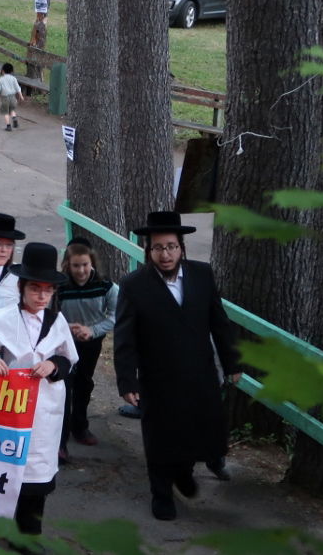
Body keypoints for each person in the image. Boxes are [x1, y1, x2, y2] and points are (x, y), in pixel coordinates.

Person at [113, 210, 242, 522]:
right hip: (157, 378)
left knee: (197, 431)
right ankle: (161, 494)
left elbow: (219, 322)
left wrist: (232, 362)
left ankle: (183, 473)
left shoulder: (201, 275)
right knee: (160, 438)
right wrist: (128, 381)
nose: (165, 254)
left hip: (199, 373)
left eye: (171, 246)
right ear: (149, 250)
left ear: (182, 247)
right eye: (158, 248)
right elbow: (124, 338)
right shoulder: (134, 285)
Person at [0, 242, 78, 536]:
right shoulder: (2, 319)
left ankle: (29, 536)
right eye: (35, 289)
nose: (41, 296)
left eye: (47, 290)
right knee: (4, 474)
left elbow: (69, 360)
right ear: (22, 288)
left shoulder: (57, 321)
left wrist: (54, 366)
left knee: (37, 478)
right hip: (9, 411)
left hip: (44, 412)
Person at [57, 239, 118, 460]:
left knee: (84, 382)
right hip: (64, 343)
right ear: (67, 265)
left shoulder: (106, 286)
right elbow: (49, 315)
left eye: (85, 265)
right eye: (76, 266)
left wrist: (92, 330)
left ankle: (80, 425)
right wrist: (66, 328)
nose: (81, 270)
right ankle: (59, 442)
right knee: (63, 387)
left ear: (92, 263)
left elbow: (115, 315)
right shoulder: (59, 287)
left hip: (91, 342)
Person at [0, 62, 24, 131]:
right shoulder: (13, 78)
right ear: (11, 71)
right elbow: (18, 88)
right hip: (13, 97)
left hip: (5, 98)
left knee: (6, 112)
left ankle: (8, 126)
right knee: (12, 110)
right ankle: (14, 118)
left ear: (2, 70)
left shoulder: (1, 79)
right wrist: (21, 96)